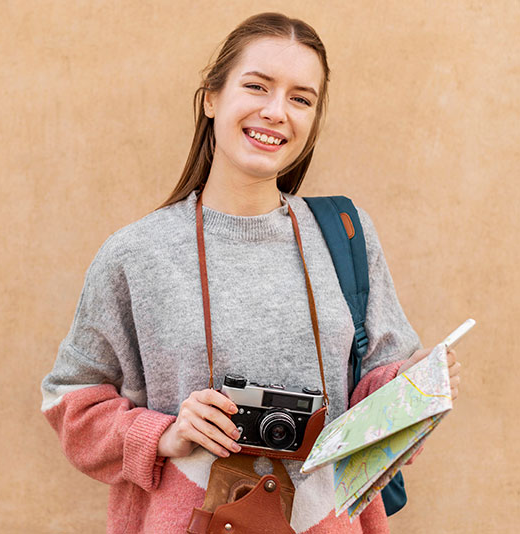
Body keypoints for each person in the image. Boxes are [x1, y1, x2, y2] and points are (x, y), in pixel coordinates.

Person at [40, 12, 462, 534]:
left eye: (301, 98)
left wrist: (412, 386)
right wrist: (165, 435)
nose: (276, 111)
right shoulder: (137, 254)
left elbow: (373, 391)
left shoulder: (346, 235)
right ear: (211, 98)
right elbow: (71, 401)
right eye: (257, 86)